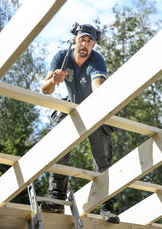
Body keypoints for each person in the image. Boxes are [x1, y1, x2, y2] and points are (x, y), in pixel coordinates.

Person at [40, 23, 119, 224]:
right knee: (60, 141)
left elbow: (97, 86)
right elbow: (45, 89)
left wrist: (103, 96)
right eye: (82, 39)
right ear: (74, 39)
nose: (84, 44)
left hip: (94, 108)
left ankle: (106, 206)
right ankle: (56, 197)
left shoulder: (96, 61)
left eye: (89, 41)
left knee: (102, 157)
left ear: (93, 45)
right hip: (72, 108)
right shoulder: (62, 57)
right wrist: (54, 80)